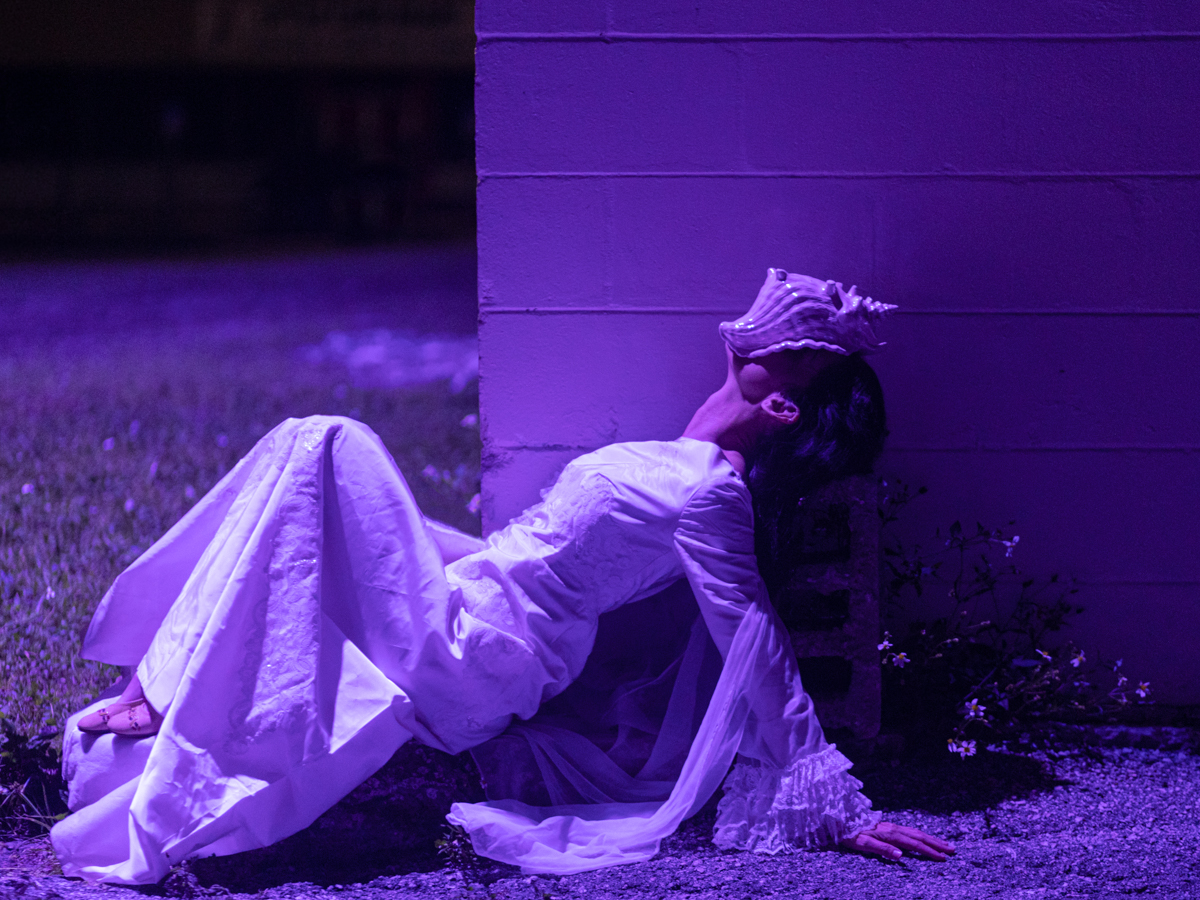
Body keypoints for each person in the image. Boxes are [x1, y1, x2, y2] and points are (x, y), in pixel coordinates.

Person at [51, 270, 954, 884]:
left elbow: (753, 636)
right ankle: (161, 681)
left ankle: (161, 686)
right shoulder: (681, 456)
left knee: (325, 441)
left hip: (488, 647)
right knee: (308, 468)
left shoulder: (712, 494)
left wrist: (823, 793)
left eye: (799, 349)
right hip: (477, 593)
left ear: (783, 403)